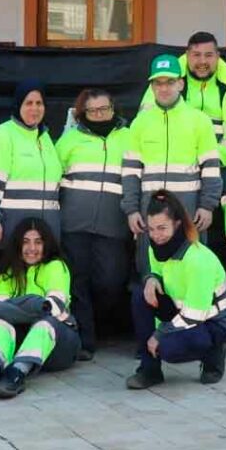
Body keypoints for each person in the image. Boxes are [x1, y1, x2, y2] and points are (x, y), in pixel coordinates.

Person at [141, 32, 226, 298]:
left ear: (218, 56)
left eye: (209, 55)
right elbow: (148, 116)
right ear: (187, 55)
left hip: (222, 157)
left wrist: (215, 158)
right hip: (181, 160)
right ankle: (155, 270)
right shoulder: (168, 77)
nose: (202, 61)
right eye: (196, 55)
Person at [122, 55, 222, 280]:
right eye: (158, 83)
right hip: (150, 209)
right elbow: (130, 171)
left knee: (191, 270)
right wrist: (131, 210)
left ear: (181, 83)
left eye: (169, 82)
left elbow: (211, 169)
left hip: (188, 208)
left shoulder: (199, 121)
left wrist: (207, 206)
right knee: (150, 273)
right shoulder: (140, 122)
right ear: (152, 86)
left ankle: (191, 316)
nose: (164, 88)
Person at [125, 191, 226, 389]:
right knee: (139, 295)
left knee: (167, 348)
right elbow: (158, 271)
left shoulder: (198, 259)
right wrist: (151, 279)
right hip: (181, 311)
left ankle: (214, 352)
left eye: (162, 228)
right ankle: (149, 370)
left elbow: (196, 314)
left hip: (212, 321)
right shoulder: (156, 247)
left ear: (177, 225)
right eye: (151, 229)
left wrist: (159, 335)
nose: (155, 235)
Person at [55, 88, 133, 361]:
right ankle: (85, 341)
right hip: (74, 225)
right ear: (82, 113)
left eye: (104, 109)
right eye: (93, 110)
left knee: (110, 282)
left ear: (114, 109)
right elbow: (53, 177)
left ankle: (102, 327)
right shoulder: (69, 141)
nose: (99, 115)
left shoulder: (129, 137)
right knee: (78, 283)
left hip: (114, 227)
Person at [0, 219, 80, 398]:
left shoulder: (56, 267)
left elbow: (53, 307)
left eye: (38, 242)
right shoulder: (8, 271)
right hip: (19, 344)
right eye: (26, 242)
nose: (32, 248)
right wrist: (36, 304)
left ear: (47, 244)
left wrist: (18, 307)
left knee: (45, 322)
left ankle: (16, 374)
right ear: (17, 245)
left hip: (58, 345)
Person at [0, 78, 62, 248]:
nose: (34, 109)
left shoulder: (45, 139)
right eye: (28, 103)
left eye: (39, 103)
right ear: (18, 105)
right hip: (8, 231)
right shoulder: (2, 135)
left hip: (40, 234)